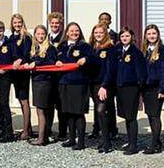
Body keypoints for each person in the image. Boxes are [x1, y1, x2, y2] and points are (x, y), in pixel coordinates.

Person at [55, 22, 94, 150]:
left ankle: (81, 142)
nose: (74, 33)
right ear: (67, 32)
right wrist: (57, 61)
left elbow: (93, 58)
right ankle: (71, 139)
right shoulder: (61, 46)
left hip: (78, 83)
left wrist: (86, 60)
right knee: (68, 112)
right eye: (71, 31)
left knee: (78, 113)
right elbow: (55, 59)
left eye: (76, 30)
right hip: (64, 83)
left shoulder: (84, 46)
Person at [111, 27, 146, 155]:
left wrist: (138, 87)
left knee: (131, 117)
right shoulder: (118, 51)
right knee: (126, 116)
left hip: (131, 89)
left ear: (131, 37)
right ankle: (130, 142)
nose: (124, 38)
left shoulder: (136, 53)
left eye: (127, 36)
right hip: (120, 88)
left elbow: (141, 73)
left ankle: (133, 145)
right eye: (122, 37)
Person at [140, 24, 164, 155]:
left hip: (157, 89)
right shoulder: (144, 51)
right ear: (145, 36)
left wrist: (163, 89)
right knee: (150, 115)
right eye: (149, 34)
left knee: (155, 116)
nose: (151, 36)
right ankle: (157, 142)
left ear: (158, 35)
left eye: (154, 33)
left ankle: (154, 145)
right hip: (146, 89)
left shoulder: (163, 51)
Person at [26, 25, 57, 145]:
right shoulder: (34, 48)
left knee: (41, 109)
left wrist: (36, 63)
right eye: (38, 34)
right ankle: (44, 135)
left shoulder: (50, 48)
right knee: (41, 109)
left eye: (42, 34)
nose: (40, 36)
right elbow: (28, 60)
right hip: (36, 80)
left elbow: (51, 62)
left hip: (45, 81)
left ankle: (41, 138)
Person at [88, 23, 117, 152]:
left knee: (101, 110)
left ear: (105, 34)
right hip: (94, 84)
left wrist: (104, 86)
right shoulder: (92, 48)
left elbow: (111, 70)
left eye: (101, 32)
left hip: (105, 85)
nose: (98, 35)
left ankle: (107, 142)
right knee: (99, 112)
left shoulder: (110, 48)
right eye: (96, 33)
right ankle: (104, 138)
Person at [8, 13, 33, 141]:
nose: (17, 25)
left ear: (22, 23)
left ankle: (26, 131)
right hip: (14, 73)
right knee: (19, 99)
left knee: (24, 101)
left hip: (23, 72)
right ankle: (28, 127)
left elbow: (28, 53)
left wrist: (20, 61)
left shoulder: (27, 37)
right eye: (15, 23)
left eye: (19, 22)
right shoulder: (11, 38)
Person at [47, 11, 67, 141]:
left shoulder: (64, 39)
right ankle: (47, 130)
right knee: (48, 105)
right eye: (52, 23)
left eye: (57, 23)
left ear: (60, 24)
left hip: (60, 76)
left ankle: (62, 132)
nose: (55, 25)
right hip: (48, 77)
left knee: (60, 105)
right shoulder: (45, 37)